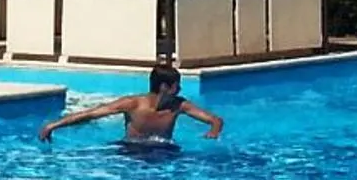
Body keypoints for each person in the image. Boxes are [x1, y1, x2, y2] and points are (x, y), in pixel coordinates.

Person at [39, 60, 222, 148]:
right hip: (130, 152)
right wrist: (53, 125)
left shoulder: (179, 105)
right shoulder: (133, 104)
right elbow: (92, 114)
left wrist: (213, 131)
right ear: (165, 87)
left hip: (165, 151)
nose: (180, 89)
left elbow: (215, 119)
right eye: (176, 86)